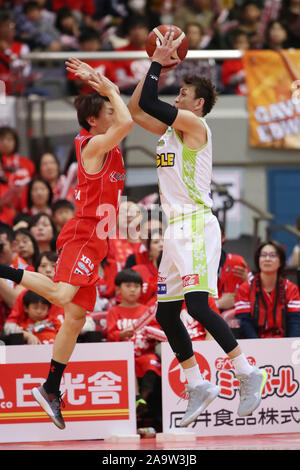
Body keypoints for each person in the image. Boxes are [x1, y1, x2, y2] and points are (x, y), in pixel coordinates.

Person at [127, 31, 268, 427]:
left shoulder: (195, 126)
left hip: (195, 224)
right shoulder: (170, 131)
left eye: (184, 91)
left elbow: (153, 101)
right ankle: (197, 383)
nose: (179, 97)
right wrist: (152, 67)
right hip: (174, 230)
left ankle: (246, 370)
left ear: (199, 103)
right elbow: (138, 109)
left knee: (198, 306)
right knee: (167, 315)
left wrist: (157, 61)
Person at [0, 61, 133, 430]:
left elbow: (126, 109)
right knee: (60, 296)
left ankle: (50, 387)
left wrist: (143, 70)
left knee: (75, 318)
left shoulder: (108, 135)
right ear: (94, 120)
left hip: (99, 240)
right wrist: (107, 88)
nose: (113, 108)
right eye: (106, 108)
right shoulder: (94, 145)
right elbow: (126, 120)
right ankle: (6, 271)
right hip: (84, 233)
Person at [106, 268, 162, 424]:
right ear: (118, 288)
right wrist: (121, 334)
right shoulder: (114, 311)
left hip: (145, 354)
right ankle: (138, 401)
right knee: (128, 362)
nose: (132, 290)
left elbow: (157, 331)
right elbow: (110, 335)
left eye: (136, 286)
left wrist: (151, 333)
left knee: (152, 362)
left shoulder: (147, 311)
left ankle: (141, 400)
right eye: (128, 286)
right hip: (122, 355)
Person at [235, 240, 300, 339]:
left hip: (284, 343)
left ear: (281, 261)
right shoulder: (245, 288)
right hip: (253, 345)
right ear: (258, 260)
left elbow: (295, 322)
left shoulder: (291, 289)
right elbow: (245, 322)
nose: (267, 259)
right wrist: (259, 347)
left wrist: (291, 346)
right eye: (263, 255)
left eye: (273, 255)